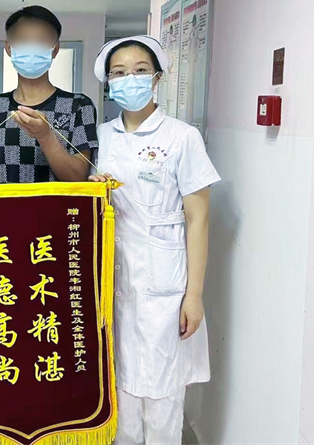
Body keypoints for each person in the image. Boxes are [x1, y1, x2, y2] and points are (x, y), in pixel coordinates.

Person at [89, 36, 220, 444]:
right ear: (108, 83)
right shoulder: (102, 136)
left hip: (165, 283)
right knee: (121, 391)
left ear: (157, 78)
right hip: (114, 277)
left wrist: (194, 296)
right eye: (119, 72)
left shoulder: (182, 137)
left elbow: (198, 219)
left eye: (140, 70)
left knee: (162, 397)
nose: (130, 79)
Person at [0, 6, 98, 184]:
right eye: (23, 40)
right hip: (5, 203)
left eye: (41, 41)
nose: (31, 49)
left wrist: (46, 136)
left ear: (55, 50)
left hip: (57, 203)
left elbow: (79, 177)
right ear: (8, 49)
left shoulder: (79, 106)